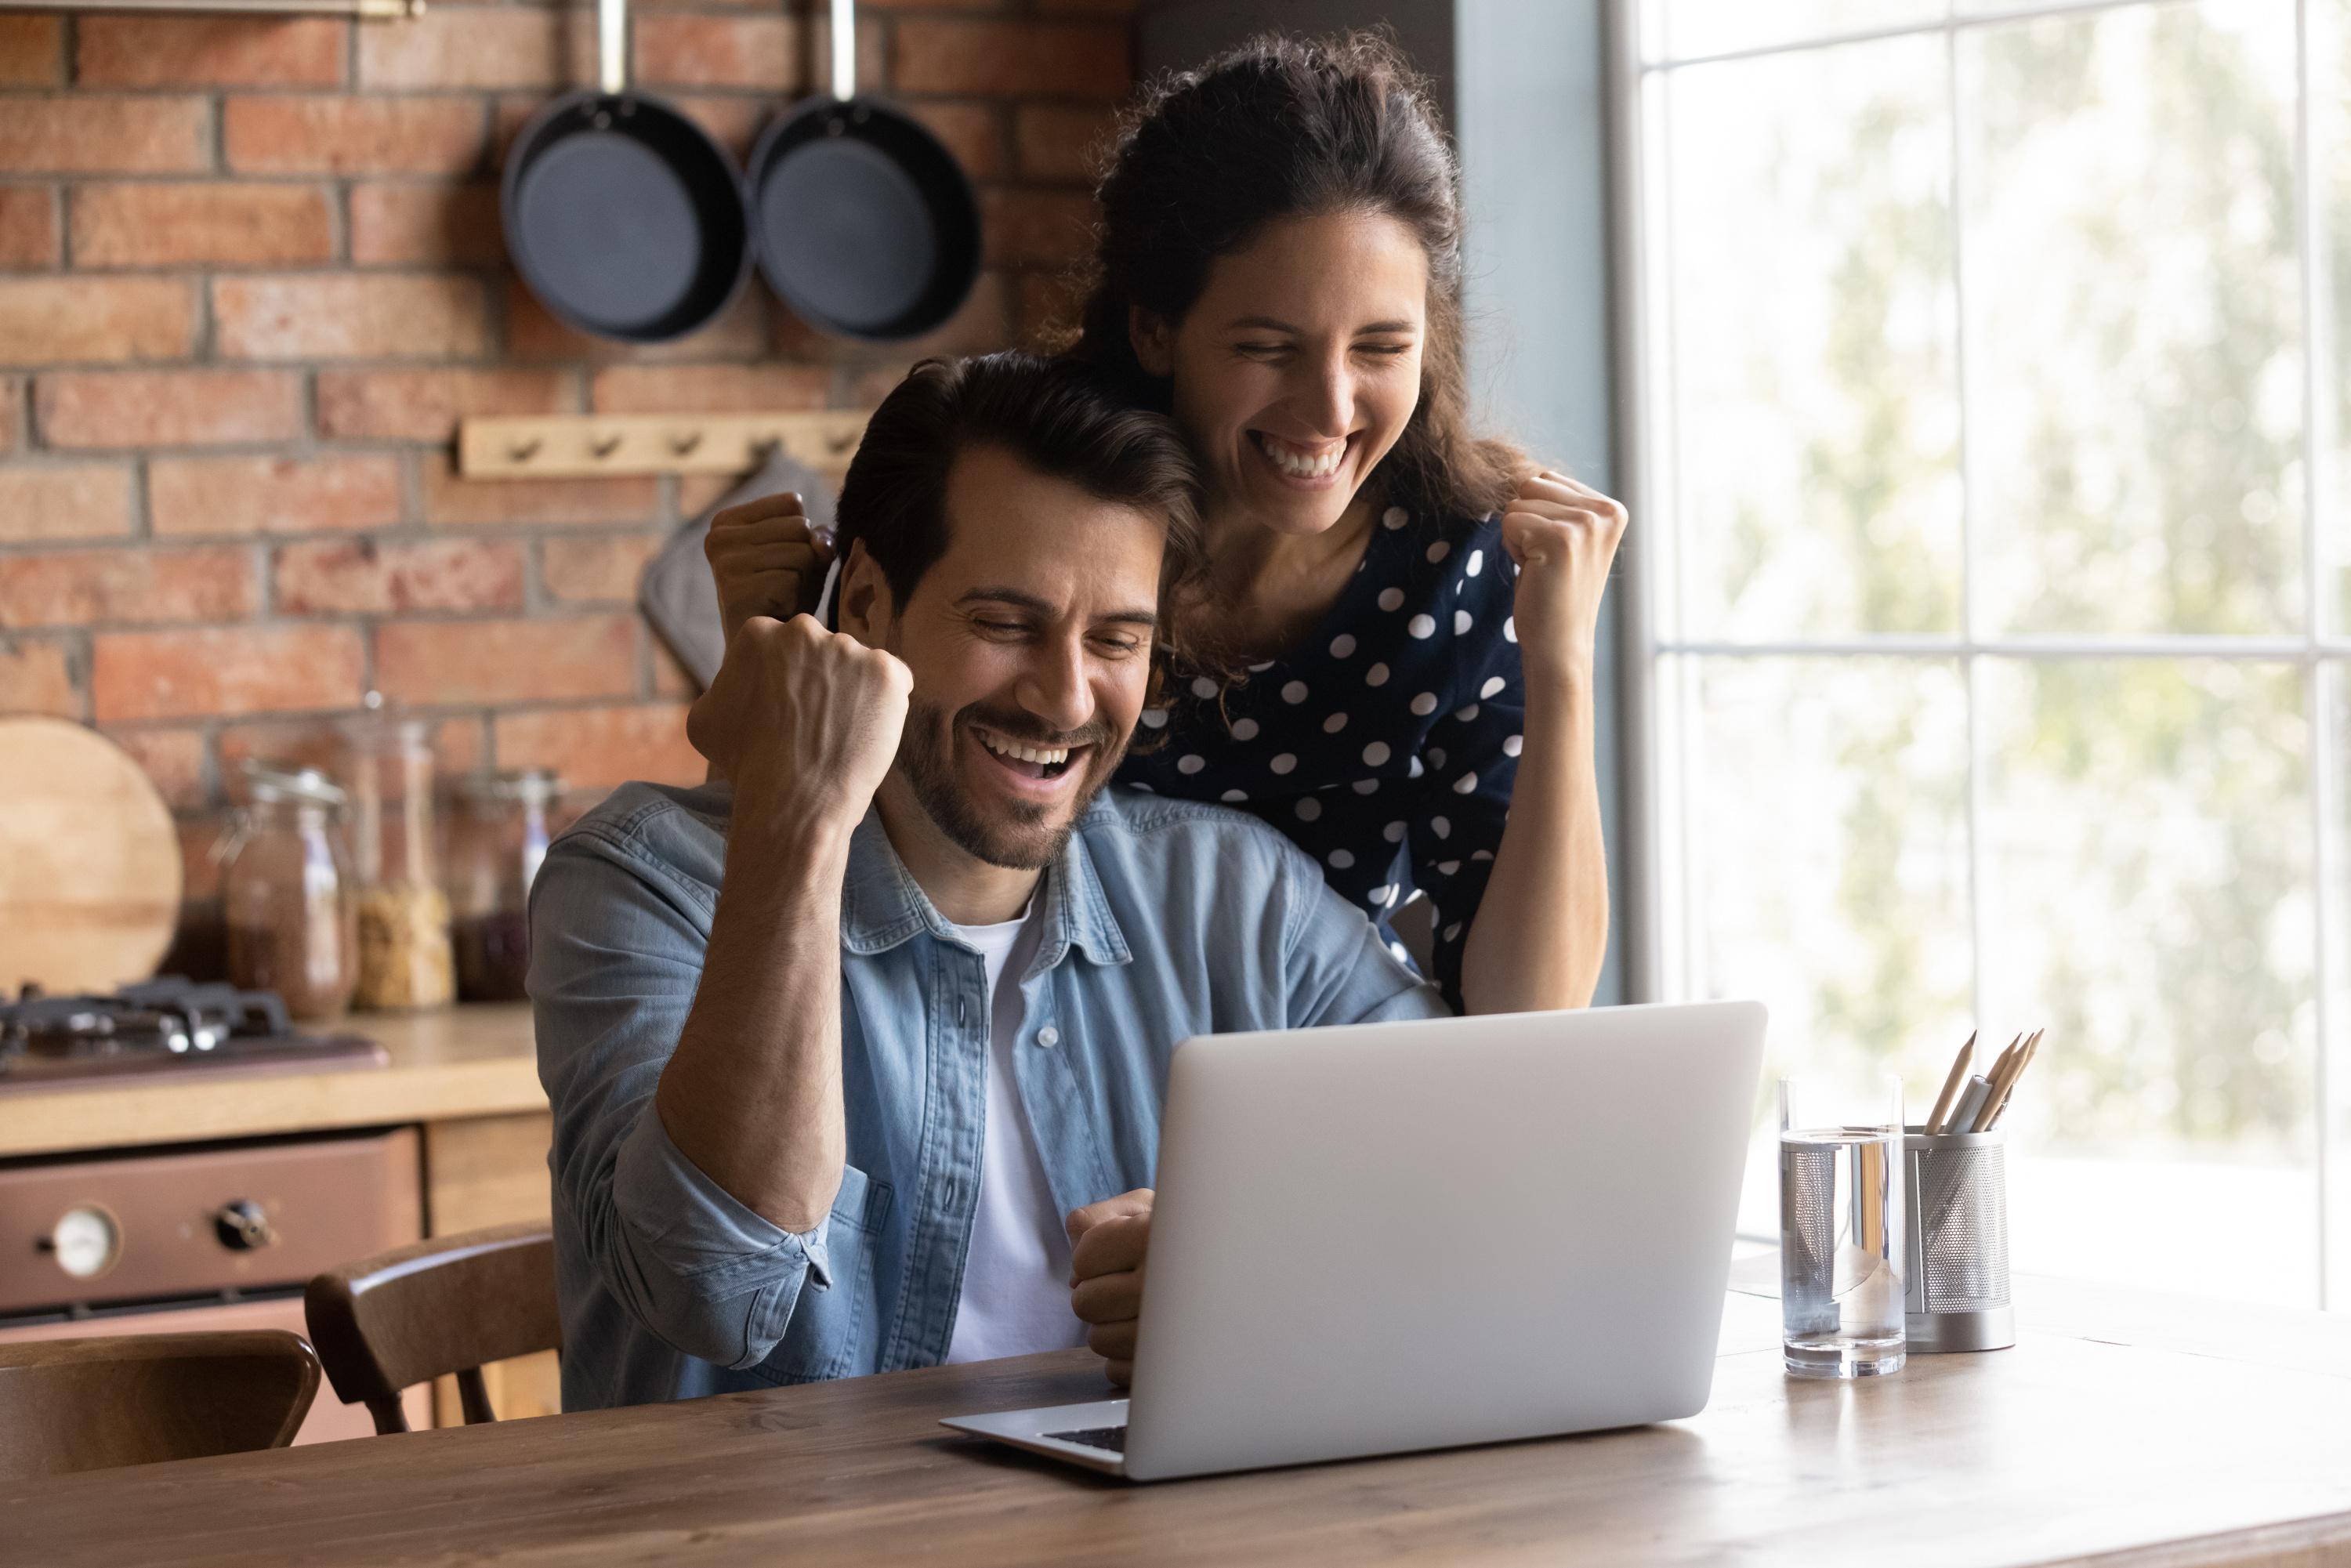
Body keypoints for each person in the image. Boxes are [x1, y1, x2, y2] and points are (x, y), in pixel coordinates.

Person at [531, 353, 1445, 1411]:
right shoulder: (643, 883)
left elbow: (1465, 1173)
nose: (1066, 699)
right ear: (865, 605)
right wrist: (800, 806)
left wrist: (1258, 1264)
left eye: (1116, 641)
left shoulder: (1233, 897)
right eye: (1006, 625)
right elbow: (712, 1289)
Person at [701, 34, 1627, 1017]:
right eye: (1268, 347)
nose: (1329, 407)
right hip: (1022, 1052)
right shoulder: (1042, 495)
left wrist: (1562, 663)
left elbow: (1532, 1016)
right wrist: (768, 652)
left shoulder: (1459, 568)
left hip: (1320, 1067)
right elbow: (801, 861)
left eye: (1381, 347)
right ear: (1153, 327)